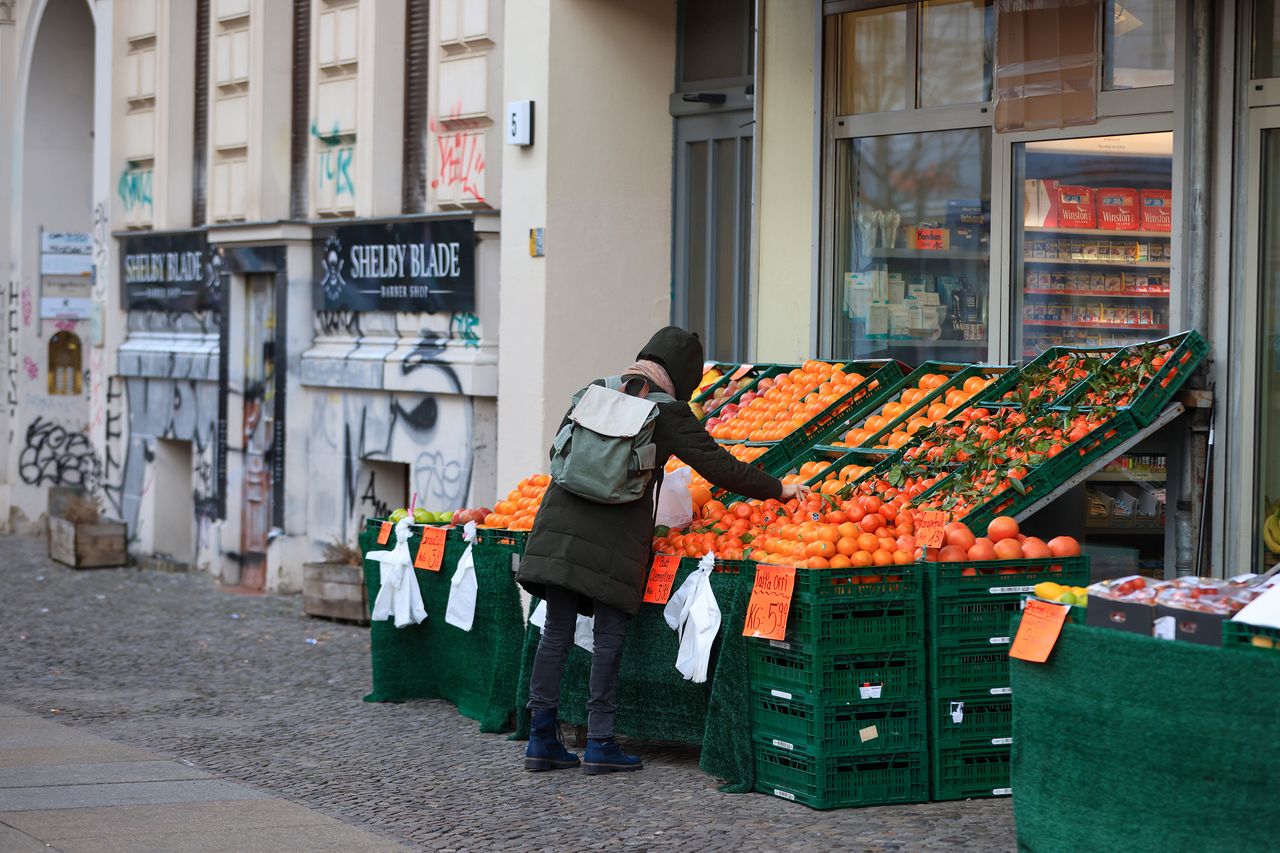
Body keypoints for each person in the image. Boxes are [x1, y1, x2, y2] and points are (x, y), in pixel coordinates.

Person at [516, 326, 809, 775]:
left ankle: (540, 738)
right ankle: (600, 742)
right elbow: (718, 467)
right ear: (682, 375)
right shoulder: (666, 412)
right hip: (613, 539)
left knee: (557, 628)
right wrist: (779, 488)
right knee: (609, 634)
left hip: (558, 525)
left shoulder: (595, 391)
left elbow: (562, 449)